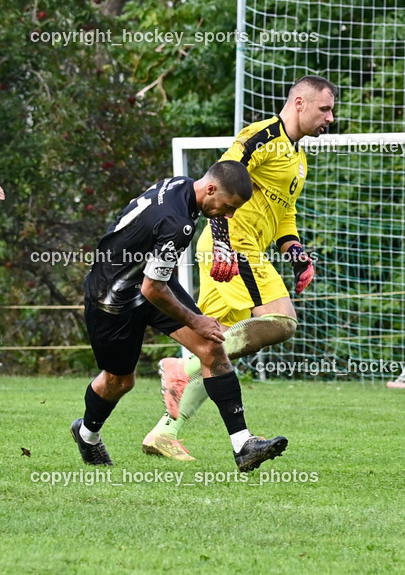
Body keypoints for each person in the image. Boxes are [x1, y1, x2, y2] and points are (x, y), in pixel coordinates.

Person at [142, 75, 335, 461]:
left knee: (216, 347)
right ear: (299, 103)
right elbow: (221, 181)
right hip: (233, 249)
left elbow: (284, 215)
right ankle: (182, 369)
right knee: (283, 322)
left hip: (242, 251)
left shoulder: (298, 161)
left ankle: (166, 431)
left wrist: (295, 251)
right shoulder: (261, 136)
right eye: (324, 108)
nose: (330, 118)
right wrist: (226, 245)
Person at [71, 160, 288, 471]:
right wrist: (195, 319)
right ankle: (87, 434)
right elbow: (153, 289)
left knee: (211, 345)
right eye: (228, 207)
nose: (229, 215)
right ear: (211, 189)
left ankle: (244, 444)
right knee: (119, 381)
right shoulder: (177, 221)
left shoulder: (181, 186)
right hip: (112, 296)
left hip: (146, 279)